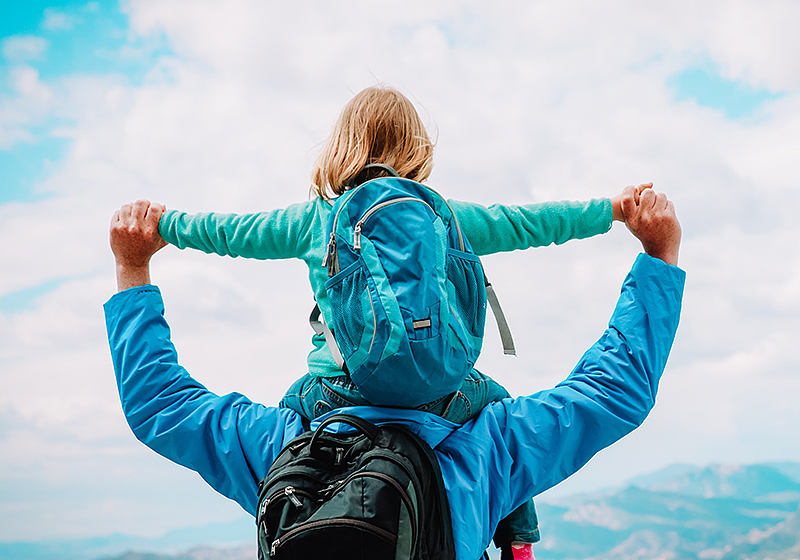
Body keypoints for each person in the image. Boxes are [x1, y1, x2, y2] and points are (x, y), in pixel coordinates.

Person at [156, 84, 649, 557]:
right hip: (443, 396)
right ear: (416, 150)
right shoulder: (444, 218)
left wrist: (164, 226)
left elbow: (228, 233)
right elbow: (528, 222)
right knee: (499, 417)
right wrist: (612, 210)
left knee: (294, 421)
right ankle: (519, 538)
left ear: (342, 146)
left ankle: (300, 507)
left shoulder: (316, 219)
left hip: (337, 394)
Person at [105, 185, 684, 560]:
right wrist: (658, 256)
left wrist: (134, 266)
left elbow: (159, 404)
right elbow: (615, 389)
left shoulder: (283, 448)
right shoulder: (483, 453)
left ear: (334, 316)